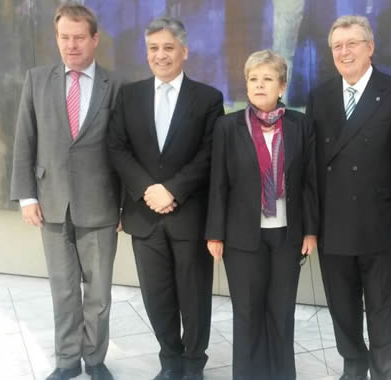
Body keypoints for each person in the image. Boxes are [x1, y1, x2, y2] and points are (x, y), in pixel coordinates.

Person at [306, 15, 391, 380]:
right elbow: (310, 167)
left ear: (370, 48)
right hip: (332, 222)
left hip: (381, 223)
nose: (344, 52)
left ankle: (385, 371)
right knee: (342, 305)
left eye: (352, 44)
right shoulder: (320, 96)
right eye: (337, 46)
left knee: (382, 307)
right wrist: (311, 224)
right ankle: (353, 367)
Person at [107, 16, 224, 380]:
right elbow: (117, 147)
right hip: (145, 217)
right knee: (157, 298)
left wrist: (172, 189)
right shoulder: (129, 95)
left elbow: (210, 153)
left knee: (194, 297)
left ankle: (194, 365)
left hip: (188, 215)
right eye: (154, 48)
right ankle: (170, 362)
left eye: (168, 48)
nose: (161, 55)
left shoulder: (208, 98)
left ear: (184, 52)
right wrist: (148, 189)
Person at [9, 3, 121, 380]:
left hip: (101, 205)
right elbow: (25, 140)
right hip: (52, 201)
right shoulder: (37, 79)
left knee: (99, 294)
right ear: (57, 39)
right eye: (64, 38)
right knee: (64, 290)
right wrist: (26, 196)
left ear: (94, 39)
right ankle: (68, 360)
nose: (71, 46)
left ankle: (95, 358)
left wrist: (124, 205)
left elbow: (123, 150)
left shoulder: (115, 86)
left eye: (78, 38)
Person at [205, 50, 318, 380]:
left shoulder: (300, 125)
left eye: (267, 78)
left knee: (281, 311)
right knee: (248, 312)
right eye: (253, 78)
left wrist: (311, 230)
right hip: (242, 236)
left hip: (287, 234)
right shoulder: (228, 126)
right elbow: (218, 183)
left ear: (282, 86)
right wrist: (215, 232)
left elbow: (310, 182)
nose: (259, 85)